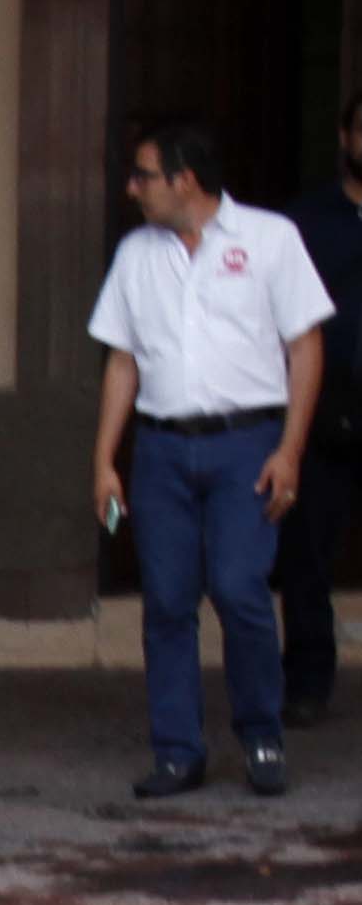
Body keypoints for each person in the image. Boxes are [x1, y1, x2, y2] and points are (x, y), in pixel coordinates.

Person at [90, 120, 335, 797]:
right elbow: (122, 360)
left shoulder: (270, 239)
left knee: (237, 587)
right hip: (161, 447)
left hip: (246, 444)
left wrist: (290, 450)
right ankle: (177, 751)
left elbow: (306, 347)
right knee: (167, 601)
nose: (131, 188)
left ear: (185, 181)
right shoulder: (136, 254)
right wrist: (104, 459)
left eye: (143, 176)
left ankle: (261, 735)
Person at [272, 92, 362, 726]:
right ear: (345, 137)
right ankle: (306, 682)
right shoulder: (301, 225)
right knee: (305, 554)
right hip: (323, 406)